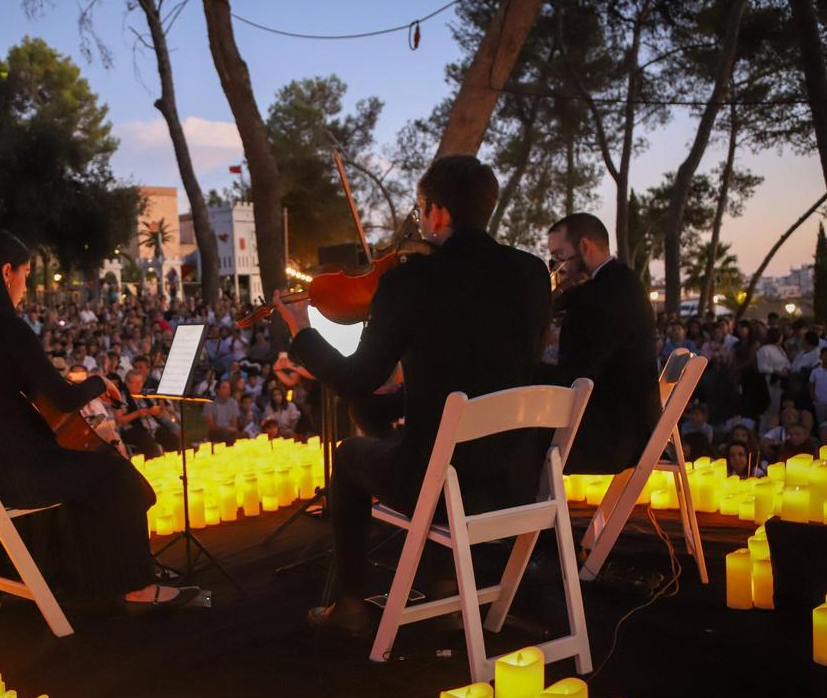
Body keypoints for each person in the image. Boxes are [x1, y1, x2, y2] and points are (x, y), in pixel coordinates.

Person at [276, 155, 551, 633]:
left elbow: (355, 379)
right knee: (418, 440)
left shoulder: (410, 282)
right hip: (516, 479)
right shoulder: (531, 273)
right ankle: (442, 581)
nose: (420, 223)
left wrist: (302, 331)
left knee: (350, 455)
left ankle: (350, 605)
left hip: (440, 485)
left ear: (438, 213)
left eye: (421, 211)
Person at [0, 229, 197, 609]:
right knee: (117, 475)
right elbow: (63, 399)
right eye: (25, 274)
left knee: (87, 474)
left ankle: (80, 579)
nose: (25, 286)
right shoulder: (10, 329)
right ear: (6, 273)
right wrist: (99, 382)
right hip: (12, 473)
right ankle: (137, 587)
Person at [542, 213, 661, 474]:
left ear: (585, 246)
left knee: (515, 437)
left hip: (613, 436)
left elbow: (575, 375)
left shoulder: (600, 297)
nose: (557, 268)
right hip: (634, 425)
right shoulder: (622, 281)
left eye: (559, 257)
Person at [203, 379, 239, 446]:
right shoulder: (209, 403)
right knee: (227, 436)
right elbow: (211, 426)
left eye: (229, 388)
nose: (228, 390)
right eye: (224, 388)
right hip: (215, 433)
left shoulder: (233, 403)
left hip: (229, 433)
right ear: (217, 390)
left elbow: (234, 424)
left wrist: (232, 430)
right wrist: (225, 429)